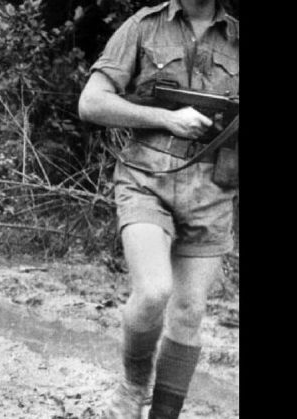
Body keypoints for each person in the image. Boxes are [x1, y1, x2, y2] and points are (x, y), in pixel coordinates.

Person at [78, 1, 238, 418]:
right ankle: (132, 387)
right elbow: (91, 103)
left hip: (213, 188)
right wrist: (165, 119)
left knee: (190, 311)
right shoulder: (142, 27)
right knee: (152, 292)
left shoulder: (237, 37)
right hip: (145, 178)